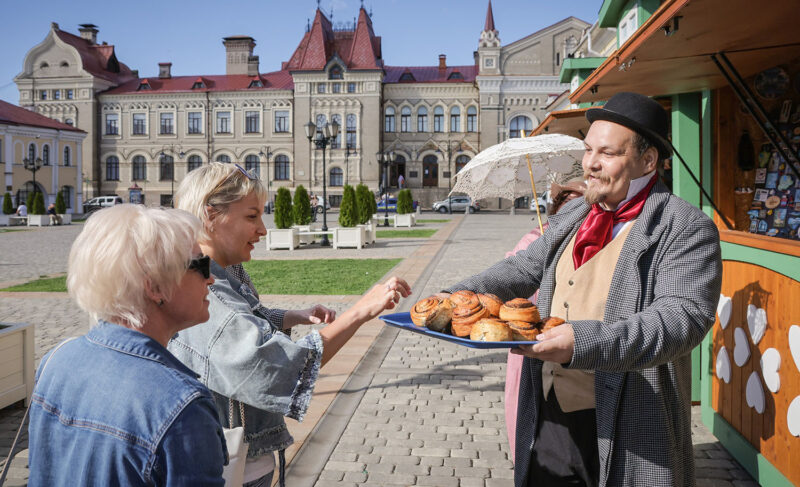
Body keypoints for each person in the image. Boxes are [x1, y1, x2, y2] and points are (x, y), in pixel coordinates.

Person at [442, 92, 722, 486]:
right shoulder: (577, 212)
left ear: (647, 160)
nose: (590, 163)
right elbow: (522, 267)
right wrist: (452, 296)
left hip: (631, 416)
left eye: (607, 153)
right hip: (551, 408)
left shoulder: (684, 226)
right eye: (589, 149)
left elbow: (681, 320)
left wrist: (581, 342)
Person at [169, 162, 411, 487]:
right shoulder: (207, 288)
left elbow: (246, 320)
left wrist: (291, 316)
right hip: (230, 467)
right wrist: (360, 312)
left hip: (246, 455)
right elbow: (277, 365)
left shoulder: (226, 271)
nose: (263, 230)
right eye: (251, 216)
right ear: (211, 216)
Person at [28, 205, 226, 486]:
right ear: (155, 286)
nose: (211, 278)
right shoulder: (182, 406)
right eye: (201, 265)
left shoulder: (56, 361)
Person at [504, 178, 586, 462]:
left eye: (582, 203)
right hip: (532, 347)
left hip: (578, 357)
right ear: (556, 208)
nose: (575, 209)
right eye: (568, 202)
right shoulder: (533, 240)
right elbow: (514, 287)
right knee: (531, 420)